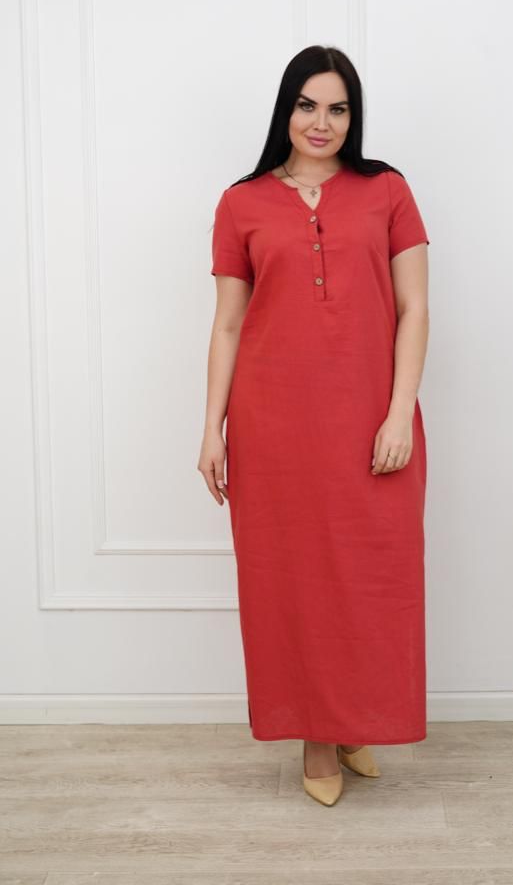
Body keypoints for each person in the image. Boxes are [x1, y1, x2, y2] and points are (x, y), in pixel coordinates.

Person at [198, 45, 430, 806]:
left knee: (371, 578)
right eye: (306, 105)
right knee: (291, 581)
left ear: (353, 117)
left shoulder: (387, 190)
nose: (320, 122)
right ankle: (317, 739)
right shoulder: (241, 203)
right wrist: (211, 429)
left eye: (337, 108)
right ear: (286, 110)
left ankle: (353, 720)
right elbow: (228, 325)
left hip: (369, 420)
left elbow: (414, 310)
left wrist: (398, 413)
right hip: (273, 425)